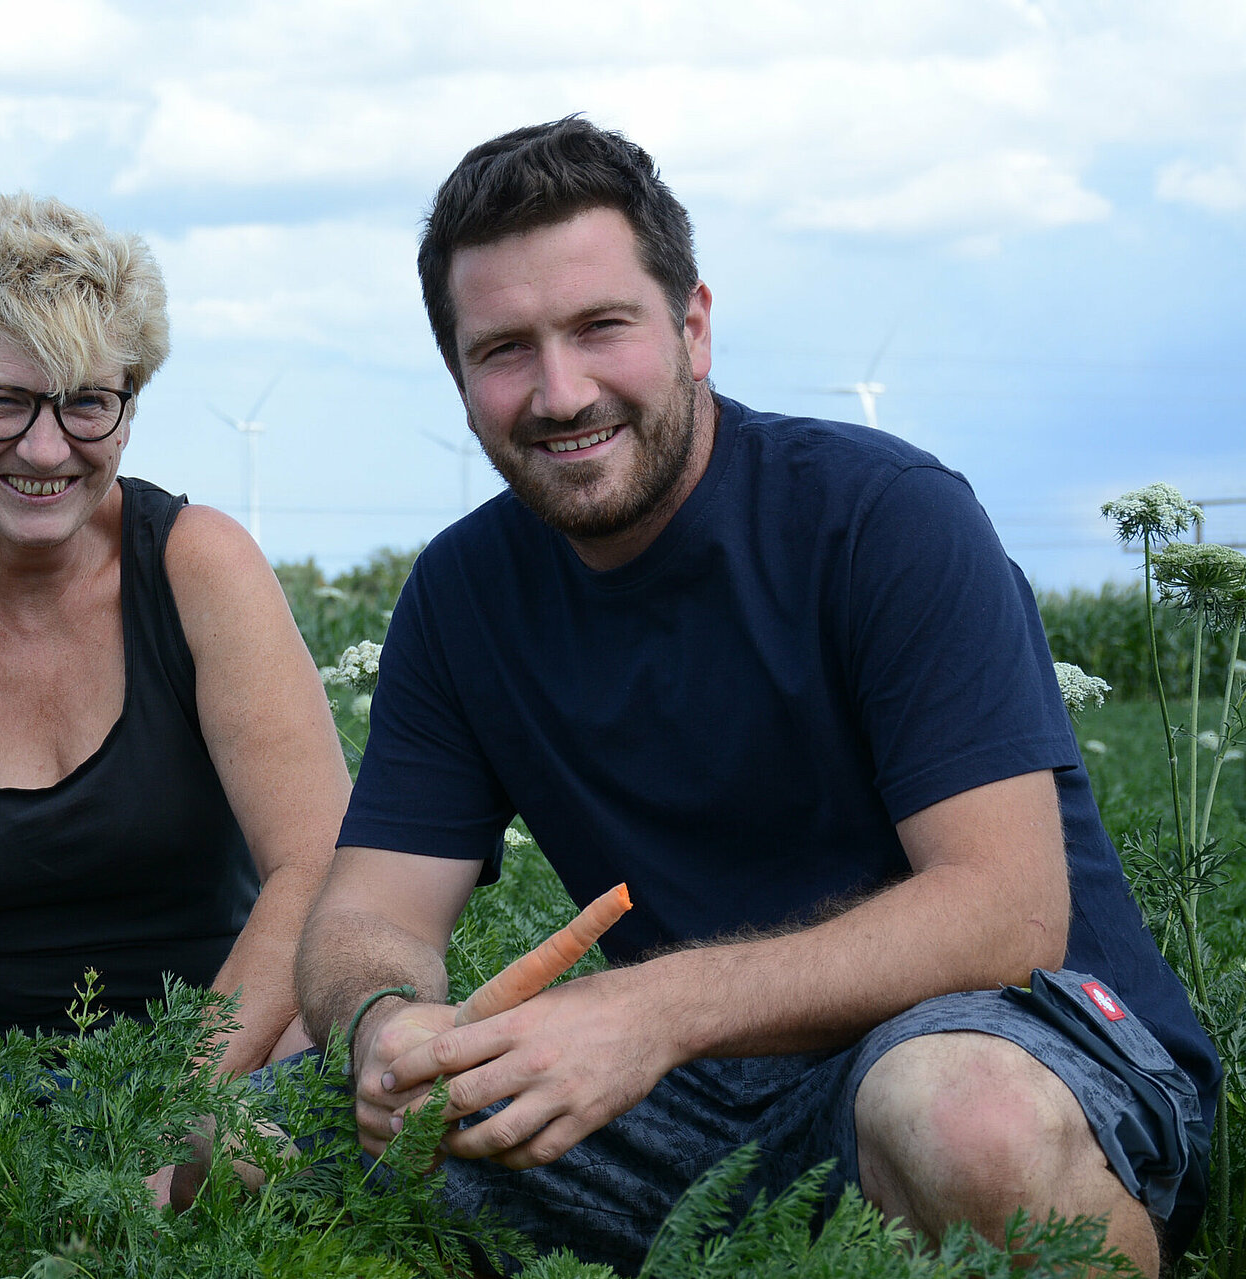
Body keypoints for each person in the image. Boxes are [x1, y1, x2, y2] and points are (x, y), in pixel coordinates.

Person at [294, 118, 1217, 1276]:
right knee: (248, 1141)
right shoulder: (460, 594)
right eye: (505, 350)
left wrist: (646, 1012)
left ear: (693, 327)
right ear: (460, 379)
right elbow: (368, 912)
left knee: (957, 1115)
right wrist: (386, 1026)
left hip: (1020, 1041)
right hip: (706, 1091)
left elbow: (1003, 914)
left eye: (599, 328)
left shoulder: (884, 518)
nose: (560, 390)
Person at [0, 193, 349, 1078]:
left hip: (222, 1061)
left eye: (87, 403)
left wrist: (174, 1109)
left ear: (130, 403)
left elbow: (314, 867)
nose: (46, 450)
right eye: (2, 403)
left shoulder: (202, 570)